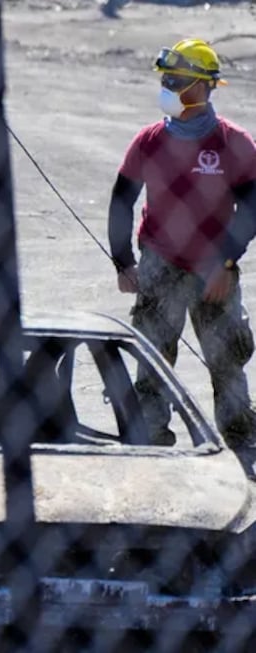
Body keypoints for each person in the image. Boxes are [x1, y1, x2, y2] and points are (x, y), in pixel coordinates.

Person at [108, 38, 256, 448]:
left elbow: (252, 208)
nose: (167, 88)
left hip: (213, 269)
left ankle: (243, 447)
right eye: (165, 79)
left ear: (202, 88)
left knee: (227, 363)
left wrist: (226, 262)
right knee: (153, 361)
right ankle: (151, 439)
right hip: (160, 262)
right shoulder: (150, 141)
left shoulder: (234, 144)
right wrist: (123, 261)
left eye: (176, 81)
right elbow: (122, 200)